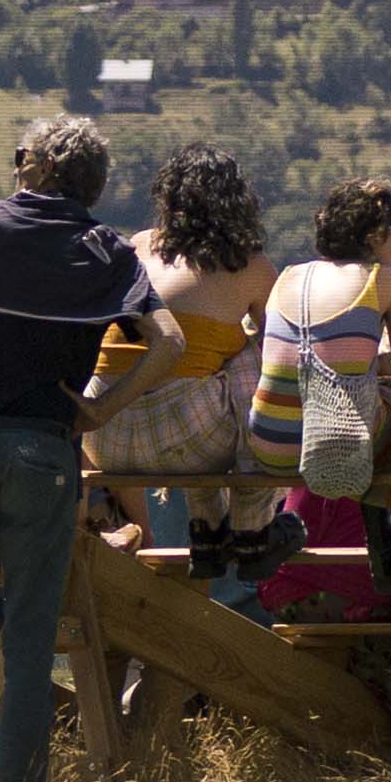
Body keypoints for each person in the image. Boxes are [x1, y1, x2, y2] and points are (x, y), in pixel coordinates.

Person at [0, 113, 163, 782]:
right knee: (28, 644)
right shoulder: (105, 250)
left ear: (36, 167)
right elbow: (171, 340)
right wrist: (99, 409)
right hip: (43, 449)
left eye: (22, 155)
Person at [90, 143, 277, 569]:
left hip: (105, 436)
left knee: (205, 365)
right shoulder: (251, 265)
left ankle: (208, 532)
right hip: (182, 440)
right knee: (247, 353)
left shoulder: (137, 247)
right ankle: (250, 530)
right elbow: (279, 355)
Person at [247, 176, 391, 620]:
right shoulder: (385, 279)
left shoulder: (288, 275)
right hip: (334, 448)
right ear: (376, 235)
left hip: (268, 443)